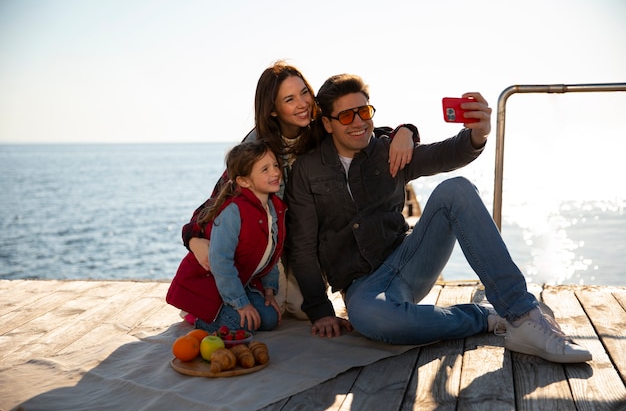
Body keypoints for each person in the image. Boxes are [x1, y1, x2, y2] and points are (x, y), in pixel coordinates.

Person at [285, 73, 592, 363]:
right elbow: (302, 247)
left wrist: (477, 133)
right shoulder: (307, 170)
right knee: (371, 319)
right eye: (347, 116)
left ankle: (523, 316)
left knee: (455, 190)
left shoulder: (388, 149)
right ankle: (485, 317)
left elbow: (448, 154)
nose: (359, 123)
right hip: (362, 287)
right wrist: (321, 310)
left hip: (408, 261)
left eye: (364, 112)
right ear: (327, 123)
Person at [181, 61, 418, 319]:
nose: (303, 103)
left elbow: (359, 133)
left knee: (302, 308)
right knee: (273, 311)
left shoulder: (319, 130)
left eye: (304, 92)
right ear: (273, 110)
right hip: (269, 244)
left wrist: (405, 131)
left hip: (306, 242)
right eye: (290, 99)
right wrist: (193, 237)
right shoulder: (257, 146)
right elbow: (221, 195)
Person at [166, 140, 286, 333]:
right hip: (206, 283)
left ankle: (231, 304)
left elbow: (273, 252)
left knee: (270, 319)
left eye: (275, 165)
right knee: (240, 325)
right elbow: (221, 262)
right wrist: (241, 304)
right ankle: (196, 312)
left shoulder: (274, 209)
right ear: (244, 181)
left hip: (240, 281)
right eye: (265, 169)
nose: (275, 172)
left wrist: (269, 291)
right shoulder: (234, 211)